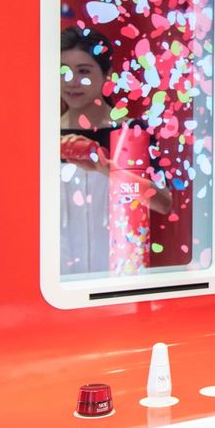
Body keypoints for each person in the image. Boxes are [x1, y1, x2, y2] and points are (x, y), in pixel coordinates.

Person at [59, 26, 172, 276]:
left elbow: (163, 203)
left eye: (84, 71)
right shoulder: (44, 133)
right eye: (63, 71)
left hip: (120, 274)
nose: (72, 82)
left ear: (106, 74)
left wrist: (106, 168)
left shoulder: (132, 133)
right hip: (57, 278)